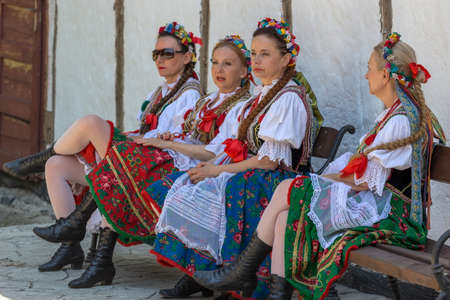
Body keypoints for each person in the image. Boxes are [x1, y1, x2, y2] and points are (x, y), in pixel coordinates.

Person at [194, 33, 446, 300]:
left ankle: (242, 270)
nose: (366, 76)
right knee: (283, 214)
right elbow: (366, 175)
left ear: (386, 76)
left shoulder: (401, 121)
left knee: (290, 188)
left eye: (370, 69)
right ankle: (276, 291)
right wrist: (328, 180)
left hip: (391, 216)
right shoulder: (393, 115)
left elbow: (366, 181)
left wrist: (327, 181)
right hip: (375, 203)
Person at [33, 33, 254, 289]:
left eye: (228, 64)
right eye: (215, 62)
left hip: (194, 170)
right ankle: (74, 243)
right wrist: (168, 137)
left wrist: (168, 142)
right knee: (62, 165)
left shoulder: (235, 105)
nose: (219, 69)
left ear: (244, 70)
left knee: (114, 158)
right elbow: (189, 135)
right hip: (171, 157)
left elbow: (214, 152)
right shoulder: (207, 100)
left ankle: (87, 241)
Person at [145, 18, 322, 299]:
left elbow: (269, 161)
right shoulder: (264, 94)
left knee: (233, 187)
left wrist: (217, 172)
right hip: (260, 173)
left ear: (286, 58)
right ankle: (201, 273)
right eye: (254, 54)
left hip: (281, 179)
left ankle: (239, 277)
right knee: (177, 185)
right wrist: (214, 166)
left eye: (265, 54)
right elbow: (241, 147)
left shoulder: (287, 97)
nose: (257, 60)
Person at [27, 22, 202, 274]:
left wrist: (152, 138)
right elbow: (146, 132)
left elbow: (181, 141)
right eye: (156, 54)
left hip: (162, 168)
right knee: (56, 167)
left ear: (187, 57)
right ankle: (69, 246)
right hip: (145, 157)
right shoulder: (160, 92)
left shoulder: (190, 95)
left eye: (168, 53)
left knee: (92, 123)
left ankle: (45, 154)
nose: (160, 60)